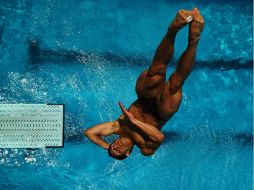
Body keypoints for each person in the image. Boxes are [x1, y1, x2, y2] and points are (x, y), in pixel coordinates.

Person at [84, 8, 204, 160]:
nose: (115, 148)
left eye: (113, 147)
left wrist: (107, 147)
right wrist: (134, 121)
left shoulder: (117, 127)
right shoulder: (144, 148)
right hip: (160, 113)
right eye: (117, 152)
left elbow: (89, 133)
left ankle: (173, 29)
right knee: (175, 84)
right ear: (128, 153)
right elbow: (159, 137)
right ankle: (194, 39)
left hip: (144, 99)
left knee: (156, 69)